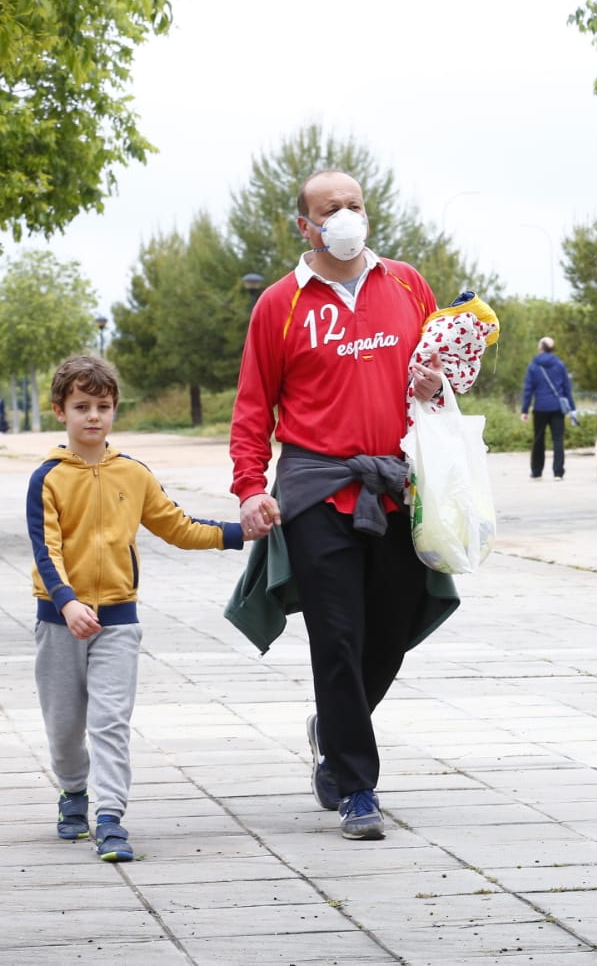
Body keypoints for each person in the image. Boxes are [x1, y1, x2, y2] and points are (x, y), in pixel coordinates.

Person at [230, 169, 449, 841]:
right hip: (316, 491)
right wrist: (249, 489)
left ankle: (332, 727)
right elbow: (251, 409)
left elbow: (442, 386)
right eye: (331, 209)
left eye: (354, 204)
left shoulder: (409, 286)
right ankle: (356, 786)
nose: (347, 216)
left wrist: (438, 385)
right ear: (307, 226)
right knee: (337, 637)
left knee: (391, 630)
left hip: (396, 488)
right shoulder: (279, 305)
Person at [29, 356, 247, 862]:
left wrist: (237, 534)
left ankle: (109, 818)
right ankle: (73, 791)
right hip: (59, 623)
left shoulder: (134, 472)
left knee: (109, 720)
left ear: (114, 410)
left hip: (119, 621)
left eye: (103, 406)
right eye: (81, 406)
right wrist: (66, 604)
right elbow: (46, 551)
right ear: (61, 410)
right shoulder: (47, 478)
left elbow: (177, 525)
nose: (93, 417)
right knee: (64, 728)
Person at [520, 336, 575, 480]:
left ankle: (537, 472)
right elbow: (567, 388)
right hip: (557, 408)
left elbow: (528, 390)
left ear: (540, 348)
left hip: (540, 407)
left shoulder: (534, 365)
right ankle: (558, 473)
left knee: (538, 439)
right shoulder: (560, 365)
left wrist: (524, 410)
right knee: (558, 440)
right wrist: (572, 409)